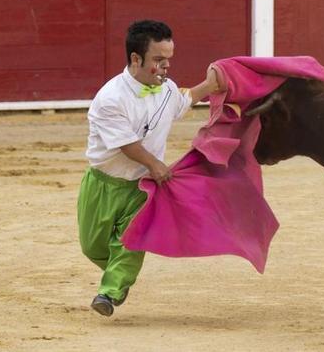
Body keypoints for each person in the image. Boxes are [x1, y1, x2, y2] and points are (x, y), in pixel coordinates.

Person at [78, 19, 223, 317]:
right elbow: (125, 144)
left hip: (142, 186)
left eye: (168, 59)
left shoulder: (167, 89)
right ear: (136, 58)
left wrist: (210, 85)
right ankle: (120, 273)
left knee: (130, 240)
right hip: (102, 183)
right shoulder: (110, 98)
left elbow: (183, 102)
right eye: (158, 60)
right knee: (92, 246)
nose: (166, 67)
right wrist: (155, 163)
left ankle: (110, 291)